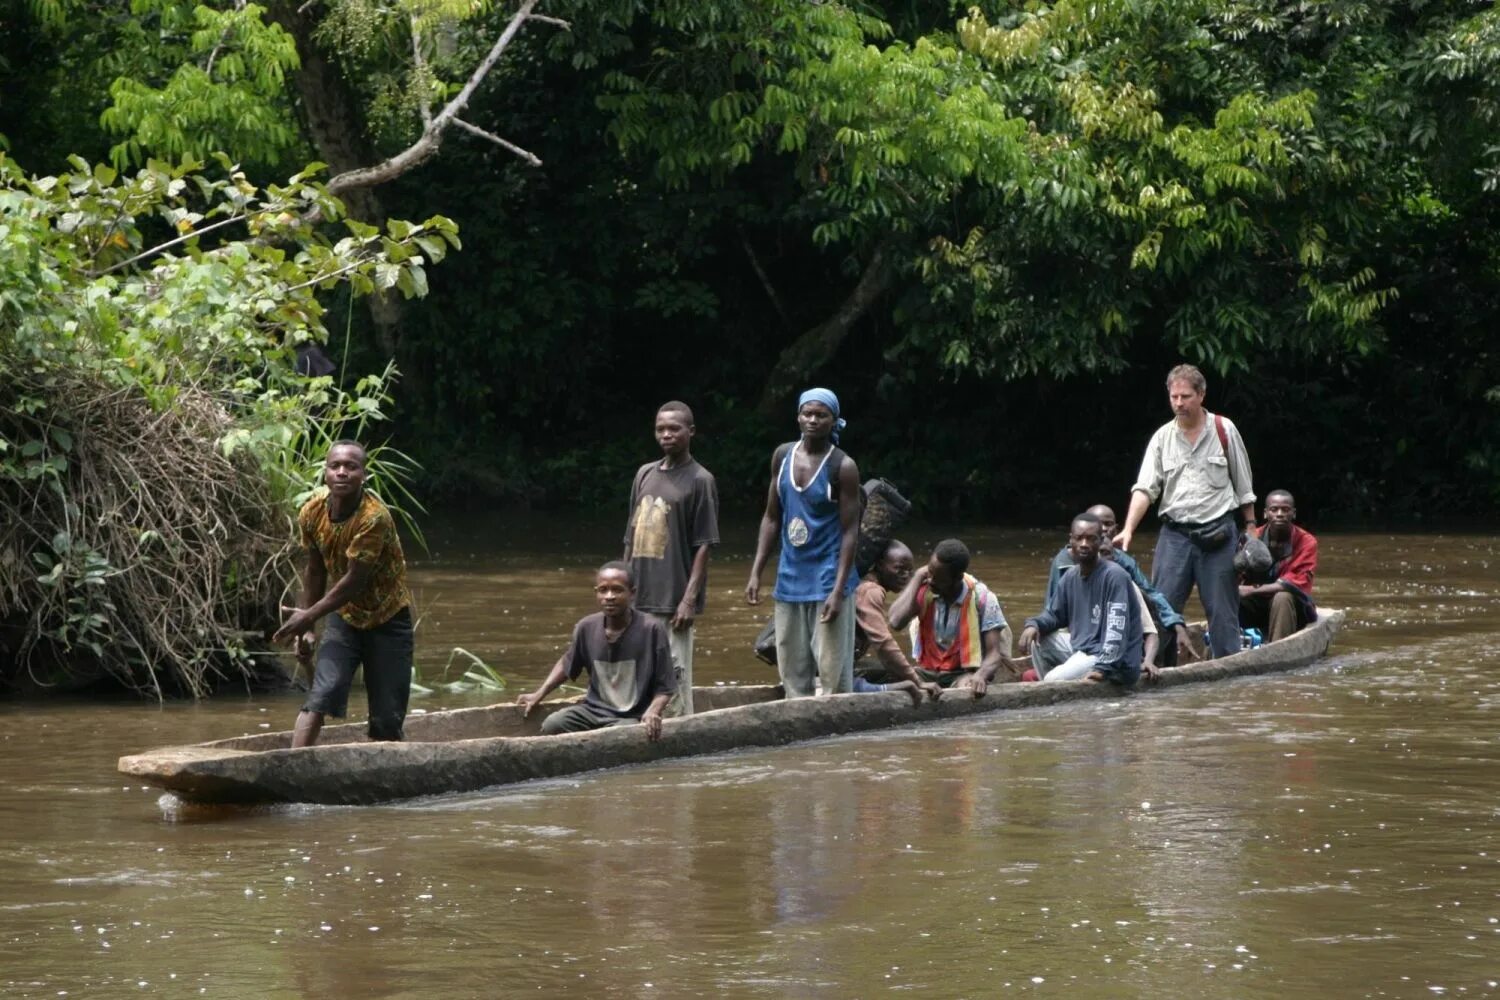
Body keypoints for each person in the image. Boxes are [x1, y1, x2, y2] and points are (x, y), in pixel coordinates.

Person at [273, 440, 414, 747]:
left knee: (386, 721)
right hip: (346, 618)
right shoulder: (311, 512)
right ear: (325, 473)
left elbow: (354, 581)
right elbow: (314, 570)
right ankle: (294, 768)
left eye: (351, 467)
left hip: (388, 620)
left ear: (364, 475)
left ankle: (386, 774)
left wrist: (307, 616)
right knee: (321, 696)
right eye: (335, 466)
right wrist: (307, 629)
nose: (342, 473)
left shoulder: (374, 517)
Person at [1113, 363, 1256, 659]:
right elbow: (1145, 489)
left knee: (1222, 612)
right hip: (1175, 536)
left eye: (1186, 396)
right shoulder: (1162, 438)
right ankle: (1158, 672)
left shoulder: (1223, 429)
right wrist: (1128, 529)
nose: (1179, 403)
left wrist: (1251, 529)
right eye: (1174, 397)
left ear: (1201, 395)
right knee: (1162, 609)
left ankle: (1227, 671)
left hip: (1218, 536)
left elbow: (1244, 486)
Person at [746, 388, 861, 698]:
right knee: (792, 669)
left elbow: (851, 531)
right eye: (807, 413)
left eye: (821, 415)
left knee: (833, 670)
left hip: (828, 576)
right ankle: (800, 728)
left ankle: (838, 734)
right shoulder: (782, 456)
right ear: (798, 417)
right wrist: (757, 571)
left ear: (833, 421)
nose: (812, 420)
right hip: (791, 576)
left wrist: (838, 591)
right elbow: (771, 517)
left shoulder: (843, 467)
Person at [623, 401, 720, 718]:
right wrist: (623, 587)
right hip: (639, 597)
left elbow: (704, 545)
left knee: (674, 678)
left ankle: (680, 738)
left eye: (674, 428)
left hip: (673, 599)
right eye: (660, 429)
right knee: (638, 675)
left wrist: (689, 600)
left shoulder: (700, 479)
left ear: (690, 432)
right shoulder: (644, 474)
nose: (667, 434)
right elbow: (630, 535)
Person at [517, 562, 675, 739]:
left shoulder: (651, 629)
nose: (609, 596)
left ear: (632, 593)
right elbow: (568, 662)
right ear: (596, 593)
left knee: (624, 735)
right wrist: (539, 694)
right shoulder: (587, 627)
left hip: (629, 717)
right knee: (553, 724)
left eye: (617, 590)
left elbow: (666, 686)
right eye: (603, 590)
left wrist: (653, 711)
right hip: (593, 711)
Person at [1044, 503, 1193, 669]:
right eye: (1098, 524)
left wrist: (1175, 623)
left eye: (1108, 524)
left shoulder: (1121, 566)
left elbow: (1151, 595)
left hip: (1112, 638)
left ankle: (1150, 664)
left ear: (1115, 529)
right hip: (1077, 635)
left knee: (1167, 627)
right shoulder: (1066, 565)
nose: (1104, 529)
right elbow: (1054, 609)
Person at [1019, 513, 1143, 684]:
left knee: (1052, 680)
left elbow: (1117, 632)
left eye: (1091, 539)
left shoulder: (1115, 576)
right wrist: (1034, 624)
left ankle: (1052, 684)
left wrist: (1103, 668)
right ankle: (1057, 684)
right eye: (1079, 538)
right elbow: (1054, 615)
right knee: (1040, 640)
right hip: (1084, 648)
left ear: (1100, 541)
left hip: (1112, 661)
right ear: (1071, 540)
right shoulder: (1071, 576)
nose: (1084, 544)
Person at [888, 539, 1012, 696]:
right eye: (929, 572)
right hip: (928, 672)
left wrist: (980, 676)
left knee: (967, 691)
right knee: (893, 682)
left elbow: (994, 654)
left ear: (957, 578)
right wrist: (918, 577)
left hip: (962, 673)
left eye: (937, 577)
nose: (931, 580)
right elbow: (895, 622)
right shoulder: (926, 588)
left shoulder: (982, 598)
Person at [852, 540, 942, 702]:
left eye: (909, 571)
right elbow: (883, 643)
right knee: (896, 676)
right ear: (880, 565)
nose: (905, 576)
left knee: (887, 670)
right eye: (899, 569)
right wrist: (917, 681)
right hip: (830, 672)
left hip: (836, 666)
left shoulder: (865, 584)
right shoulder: (871, 591)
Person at [1239, 489, 1319, 642]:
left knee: (1282, 597)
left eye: (1285, 510)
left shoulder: (1307, 542)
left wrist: (1250, 589)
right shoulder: (1251, 539)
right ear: (1265, 513)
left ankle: (1277, 647)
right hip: (1257, 604)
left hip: (1293, 608)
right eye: (1274, 509)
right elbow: (1238, 573)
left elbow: (1292, 584)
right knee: (1231, 597)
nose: (1280, 513)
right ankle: (1227, 645)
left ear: (1293, 513)